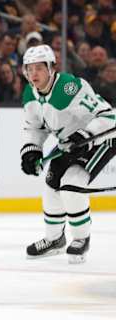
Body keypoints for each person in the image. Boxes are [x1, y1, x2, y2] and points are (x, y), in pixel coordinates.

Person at [20, 44, 116, 264]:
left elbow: (108, 117)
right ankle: (54, 240)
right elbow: (34, 127)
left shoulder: (68, 88)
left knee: (72, 184)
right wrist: (31, 150)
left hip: (100, 139)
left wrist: (86, 134)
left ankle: (81, 239)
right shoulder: (29, 93)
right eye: (29, 68)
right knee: (51, 183)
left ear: (51, 68)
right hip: (69, 142)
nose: (33, 74)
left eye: (39, 68)